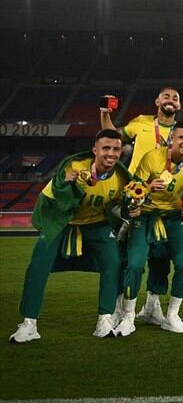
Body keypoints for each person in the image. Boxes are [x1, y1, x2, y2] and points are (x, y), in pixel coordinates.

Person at [10, 130, 133, 343]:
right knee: (38, 264)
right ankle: (29, 323)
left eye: (115, 149)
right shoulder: (74, 168)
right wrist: (67, 185)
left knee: (113, 262)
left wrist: (132, 209)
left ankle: (105, 318)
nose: (111, 153)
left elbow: (123, 207)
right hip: (62, 222)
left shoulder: (122, 177)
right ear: (95, 150)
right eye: (106, 148)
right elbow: (58, 197)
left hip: (96, 224)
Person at [113, 122, 183, 336]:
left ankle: (172, 315)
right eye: (182, 137)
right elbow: (131, 193)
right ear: (172, 138)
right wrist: (148, 187)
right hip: (145, 216)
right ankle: (128, 315)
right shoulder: (152, 157)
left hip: (173, 218)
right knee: (134, 265)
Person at [100, 87, 180, 173]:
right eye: (166, 97)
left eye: (175, 99)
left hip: (162, 183)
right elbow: (111, 137)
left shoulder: (181, 132)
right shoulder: (141, 121)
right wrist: (104, 113)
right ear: (157, 102)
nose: (171, 101)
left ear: (179, 106)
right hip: (135, 183)